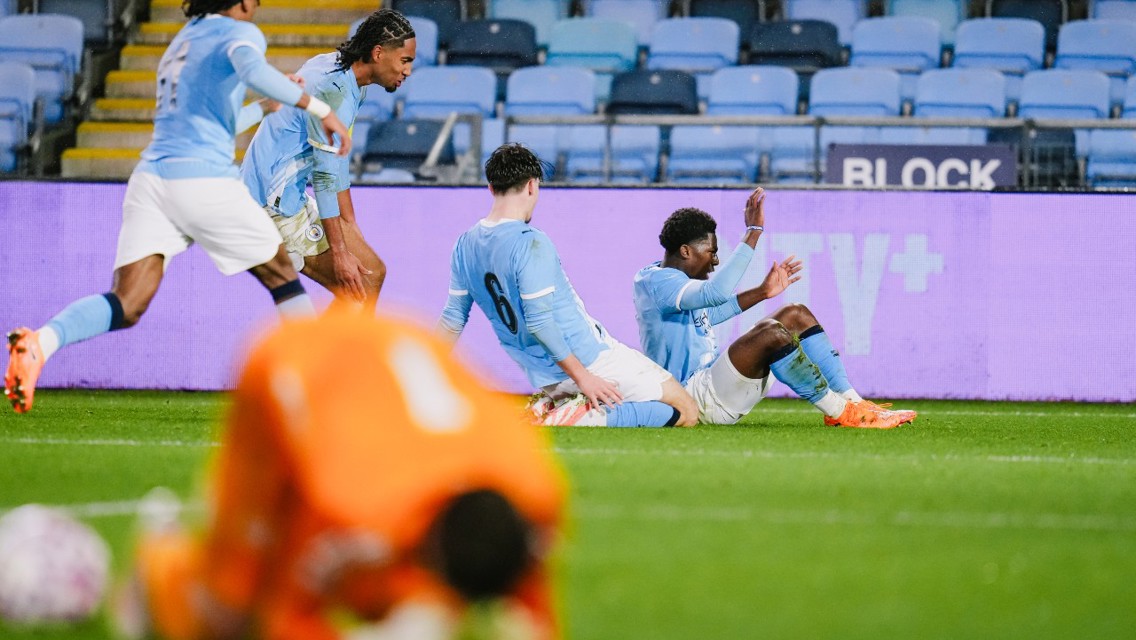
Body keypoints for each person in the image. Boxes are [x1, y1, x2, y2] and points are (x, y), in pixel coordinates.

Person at [113, 311, 567, 640]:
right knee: (230, 611)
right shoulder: (345, 508)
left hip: (397, 351)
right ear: (425, 552)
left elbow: (533, 613)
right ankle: (160, 563)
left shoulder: (536, 493)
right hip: (291, 366)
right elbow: (285, 620)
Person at [3, 0, 353, 414]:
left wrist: (263, 107)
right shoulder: (239, 33)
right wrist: (319, 107)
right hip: (202, 181)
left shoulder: (183, 42)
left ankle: (39, 344)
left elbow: (210, 125)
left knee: (128, 302)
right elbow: (254, 70)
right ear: (241, 2)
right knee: (281, 271)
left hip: (152, 182)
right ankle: (317, 398)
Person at [437, 144, 698, 428]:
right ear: (531, 186)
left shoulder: (465, 244)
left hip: (542, 373)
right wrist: (584, 378)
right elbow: (539, 323)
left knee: (650, 404)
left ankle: (557, 404)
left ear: (490, 188)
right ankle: (577, 416)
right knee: (686, 410)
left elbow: (452, 319)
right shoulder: (530, 242)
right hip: (586, 360)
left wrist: (424, 372)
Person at [633, 187, 918, 428]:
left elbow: (711, 314)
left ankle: (853, 402)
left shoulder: (673, 282)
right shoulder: (658, 281)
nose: (716, 261)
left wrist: (762, 292)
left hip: (713, 383)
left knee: (795, 313)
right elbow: (717, 292)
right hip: (692, 397)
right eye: (712, 252)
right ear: (685, 251)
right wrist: (753, 232)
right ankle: (843, 413)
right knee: (772, 333)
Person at [240, 9, 416, 311]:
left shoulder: (342, 72)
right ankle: (328, 357)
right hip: (271, 205)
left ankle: (329, 353)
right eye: (405, 61)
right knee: (365, 282)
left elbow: (337, 162)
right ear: (377, 53)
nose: (408, 72)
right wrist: (340, 252)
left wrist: (351, 226)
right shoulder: (332, 91)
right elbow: (323, 177)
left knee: (370, 275)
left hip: (284, 192)